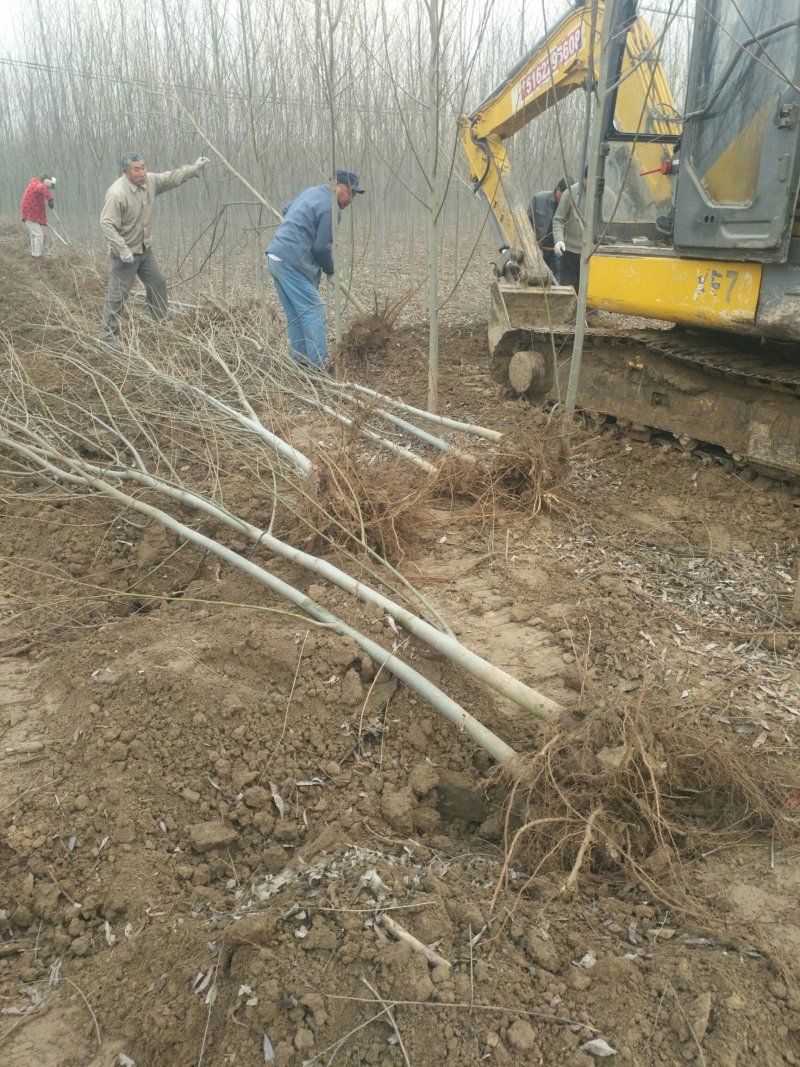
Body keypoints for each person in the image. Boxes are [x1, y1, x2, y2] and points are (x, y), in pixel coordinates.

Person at [98, 151, 210, 348]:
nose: (142, 172)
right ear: (126, 171)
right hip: (124, 255)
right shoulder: (117, 193)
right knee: (118, 294)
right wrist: (123, 250)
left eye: (143, 167)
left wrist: (193, 169)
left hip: (144, 250)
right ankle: (108, 337)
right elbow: (106, 224)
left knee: (157, 282)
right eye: (136, 169)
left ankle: (159, 324)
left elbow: (170, 177)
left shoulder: (150, 181)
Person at [266, 169, 365, 371]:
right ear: (338, 185)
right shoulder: (331, 208)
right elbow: (321, 247)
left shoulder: (309, 192)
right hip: (291, 261)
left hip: (275, 257)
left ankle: (300, 362)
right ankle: (319, 366)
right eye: (350, 193)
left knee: (296, 314)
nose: (351, 200)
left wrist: (291, 222)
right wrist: (331, 268)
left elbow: (286, 210)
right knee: (314, 311)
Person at [552, 166, 588, 294]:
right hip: (570, 253)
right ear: (583, 177)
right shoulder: (570, 193)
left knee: (589, 296)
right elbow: (558, 219)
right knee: (567, 292)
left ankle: (588, 314)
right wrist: (559, 240)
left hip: (594, 254)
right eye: (588, 179)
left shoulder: (608, 196)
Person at [528, 178, 568, 281]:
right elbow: (527, 222)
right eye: (564, 196)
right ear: (558, 190)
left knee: (556, 280)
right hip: (537, 249)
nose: (566, 200)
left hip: (557, 252)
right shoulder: (539, 199)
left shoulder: (569, 206)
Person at [20, 175, 56, 258]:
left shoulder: (34, 185)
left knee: (34, 235)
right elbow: (42, 188)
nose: (49, 189)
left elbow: (39, 205)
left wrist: (43, 220)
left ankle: (34, 255)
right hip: (29, 213)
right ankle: (37, 256)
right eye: (49, 186)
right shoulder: (38, 185)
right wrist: (50, 199)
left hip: (28, 213)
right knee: (39, 235)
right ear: (46, 182)